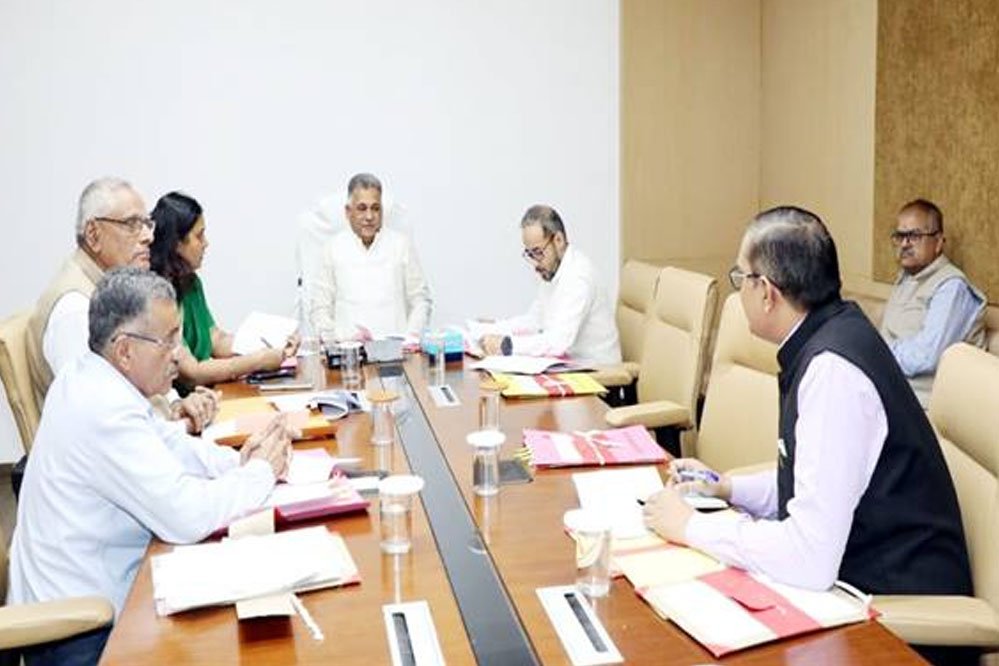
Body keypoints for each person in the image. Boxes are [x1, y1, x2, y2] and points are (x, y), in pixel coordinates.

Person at [642, 206, 971, 599]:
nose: (739, 290)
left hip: (898, 603)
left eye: (740, 278)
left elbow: (809, 558)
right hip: (861, 571)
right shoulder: (832, 332)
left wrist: (691, 527)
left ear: (767, 292)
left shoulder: (833, 372)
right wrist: (727, 488)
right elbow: (816, 485)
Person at [7, 268, 294, 666]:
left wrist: (241, 459)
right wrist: (259, 473)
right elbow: (186, 517)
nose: (178, 353)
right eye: (168, 340)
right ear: (125, 350)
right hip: (81, 634)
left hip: (112, 597)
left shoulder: (97, 378)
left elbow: (171, 445)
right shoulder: (101, 408)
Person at [25, 177, 216, 433]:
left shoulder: (115, 288)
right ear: (93, 234)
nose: (148, 236)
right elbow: (101, 419)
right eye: (132, 225)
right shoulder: (74, 309)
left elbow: (142, 378)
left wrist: (177, 404)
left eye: (146, 224)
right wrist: (181, 426)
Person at [150, 191, 298, 388]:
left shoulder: (191, 283)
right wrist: (258, 360)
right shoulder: (156, 296)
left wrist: (274, 343)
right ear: (176, 243)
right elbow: (192, 373)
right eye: (199, 236)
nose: (206, 243)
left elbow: (216, 339)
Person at [479, 205, 621, 364]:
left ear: (558, 240)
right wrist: (493, 328)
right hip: (570, 363)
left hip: (598, 372)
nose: (535, 263)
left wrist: (507, 345)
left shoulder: (579, 277)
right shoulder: (551, 270)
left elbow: (557, 342)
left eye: (538, 252)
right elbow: (535, 320)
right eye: (529, 254)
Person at [879, 199, 987, 407]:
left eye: (914, 236)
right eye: (900, 236)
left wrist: (875, 353)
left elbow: (925, 357)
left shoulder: (952, 287)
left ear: (938, 242)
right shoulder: (906, 279)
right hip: (892, 392)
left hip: (925, 406)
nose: (904, 244)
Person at [307, 173, 432, 341]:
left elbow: (421, 300)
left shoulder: (401, 245)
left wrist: (411, 337)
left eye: (375, 208)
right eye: (362, 208)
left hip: (395, 350)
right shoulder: (333, 248)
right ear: (348, 212)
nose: (369, 216)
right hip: (348, 350)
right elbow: (319, 308)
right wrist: (336, 340)